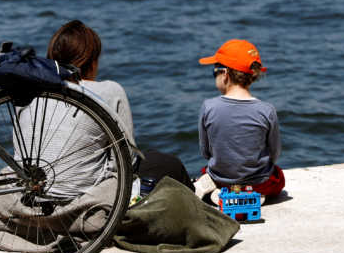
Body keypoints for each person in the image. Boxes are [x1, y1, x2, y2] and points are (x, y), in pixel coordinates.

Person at [47, 20, 192, 193]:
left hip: (36, 193)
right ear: (92, 62)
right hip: (84, 195)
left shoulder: (30, 92)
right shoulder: (109, 91)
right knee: (166, 163)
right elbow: (125, 162)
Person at [196, 39, 284, 205]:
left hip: (222, 180)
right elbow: (275, 153)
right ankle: (254, 195)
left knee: (207, 170)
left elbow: (206, 152)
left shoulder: (208, 107)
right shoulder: (267, 110)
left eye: (214, 72)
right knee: (278, 177)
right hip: (258, 183)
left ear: (225, 74)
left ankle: (219, 191)